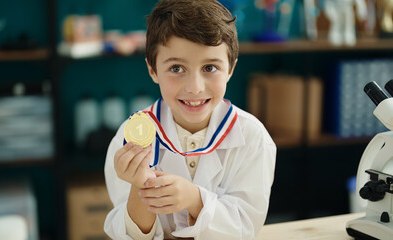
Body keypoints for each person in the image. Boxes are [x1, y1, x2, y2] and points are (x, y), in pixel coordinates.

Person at [103, 0, 276, 239]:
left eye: (210, 68)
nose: (194, 88)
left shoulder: (254, 138)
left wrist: (195, 200)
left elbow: (246, 227)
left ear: (230, 69)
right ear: (152, 69)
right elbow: (131, 236)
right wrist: (140, 187)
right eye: (176, 68)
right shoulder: (127, 140)